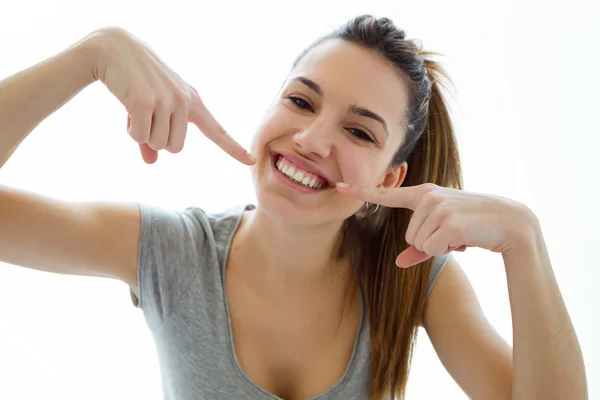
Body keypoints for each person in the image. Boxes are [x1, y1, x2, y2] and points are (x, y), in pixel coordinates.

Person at [0, 15, 587, 400]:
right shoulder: (171, 251)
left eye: (359, 133)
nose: (312, 139)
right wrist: (91, 55)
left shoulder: (414, 277)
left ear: (393, 177)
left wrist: (525, 241)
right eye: (301, 101)